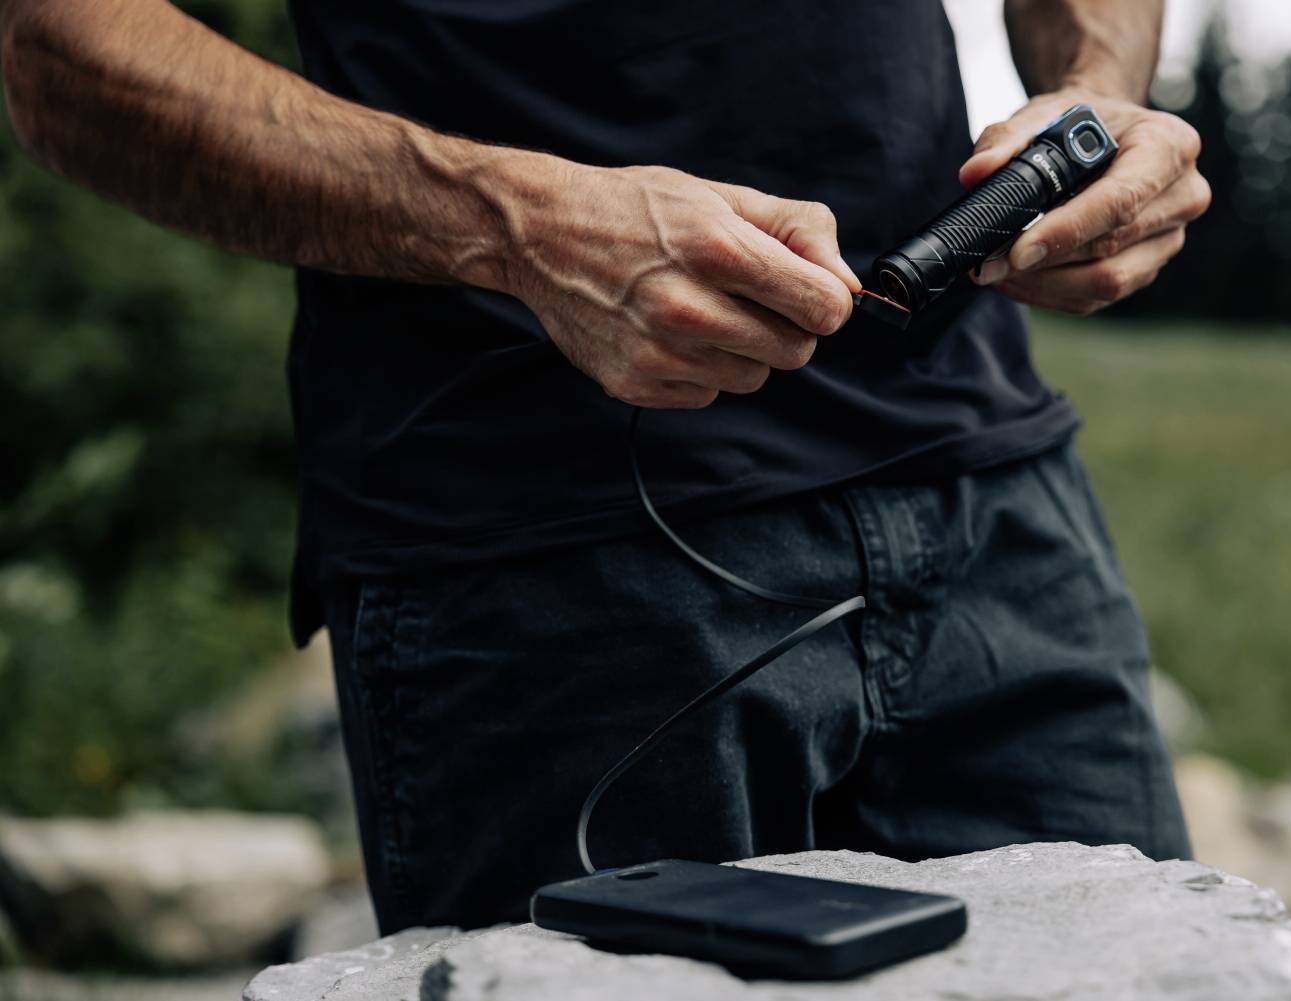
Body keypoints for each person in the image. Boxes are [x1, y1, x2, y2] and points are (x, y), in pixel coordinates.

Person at [1, 0, 1211, 931]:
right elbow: (58, 52)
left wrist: (1097, 91)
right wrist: (514, 223)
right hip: (548, 575)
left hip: (994, 503)